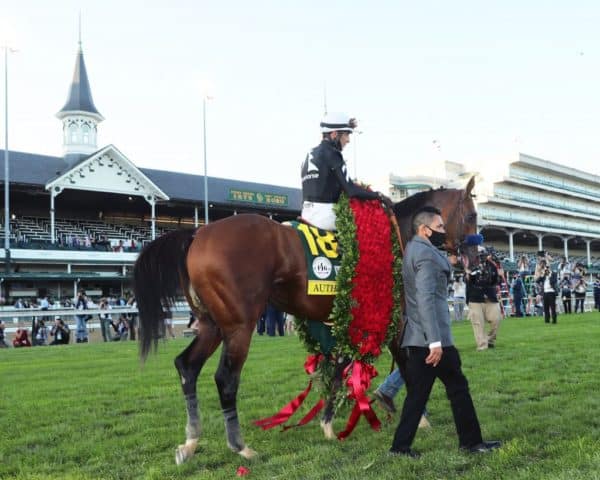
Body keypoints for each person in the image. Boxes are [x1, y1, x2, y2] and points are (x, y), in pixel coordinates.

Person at [389, 206, 501, 457]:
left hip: (421, 338)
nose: (443, 231)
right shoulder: (426, 256)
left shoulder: (416, 250)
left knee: (418, 396)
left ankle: (400, 447)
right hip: (433, 341)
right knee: (456, 389)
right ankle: (471, 443)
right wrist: (435, 343)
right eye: (439, 227)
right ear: (424, 229)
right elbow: (427, 299)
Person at [300, 113, 383, 231]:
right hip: (325, 218)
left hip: (306, 215)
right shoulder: (332, 153)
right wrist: (378, 196)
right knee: (367, 229)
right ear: (334, 134)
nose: (348, 140)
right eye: (346, 134)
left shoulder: (308, 154)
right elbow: (351, 191)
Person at [465, 247, 503, 351]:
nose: (481, 255)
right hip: (475, 298)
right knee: (478, 323)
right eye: (479, 253)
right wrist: (469, 274)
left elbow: (497, 281)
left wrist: (499, 274)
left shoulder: (493, 265)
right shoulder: (470, 265)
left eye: (482, 253)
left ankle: (490, 339)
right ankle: (482, 345)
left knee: (496, 319)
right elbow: (469, 282)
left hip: (490, 297)